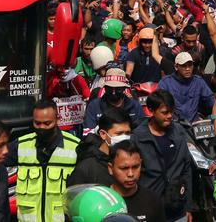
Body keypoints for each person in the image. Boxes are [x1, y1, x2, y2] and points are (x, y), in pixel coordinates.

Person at [9, 98, 81, 222]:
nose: (42, 127)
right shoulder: (21, 145)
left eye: (47, 123)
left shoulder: (75, 147)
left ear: (58, 120)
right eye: (37, 123)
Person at [132, 89, 194, 222]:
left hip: (178, 209)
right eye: (165, 112)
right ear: (151, 111)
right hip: (150, 210)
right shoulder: (138, 138)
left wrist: (188, 206)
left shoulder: (179, 132)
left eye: (171, 112)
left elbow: (186, 170)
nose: (170, 116)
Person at [70, 106, 133, 187]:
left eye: (127, 133)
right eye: (119, 133)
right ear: (103, 134)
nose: (124, 137)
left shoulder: (133, 160)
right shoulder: (87, 168)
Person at [107, 140, 167, 222]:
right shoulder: (100, 202)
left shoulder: (152, 200)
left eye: (135, 167)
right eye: (124, 168)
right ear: (110, 168)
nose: (131, 174)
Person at [82, 67, 144, 133]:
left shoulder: (135, 106)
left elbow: (141, 131)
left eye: (118, 89)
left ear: (124, 89)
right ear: (105, 88)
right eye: (110, 88)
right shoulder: (94, 106)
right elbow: (87, 132)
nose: (113, 92)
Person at [157, 51, 214, 122]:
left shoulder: (198, 81)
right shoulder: (165, 82)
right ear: (176, 67)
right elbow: (159, 105)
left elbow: (211, 102)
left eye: (190, 65)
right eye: (184, 66)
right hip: (173, 124)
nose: (187, 69)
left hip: (194, 123)